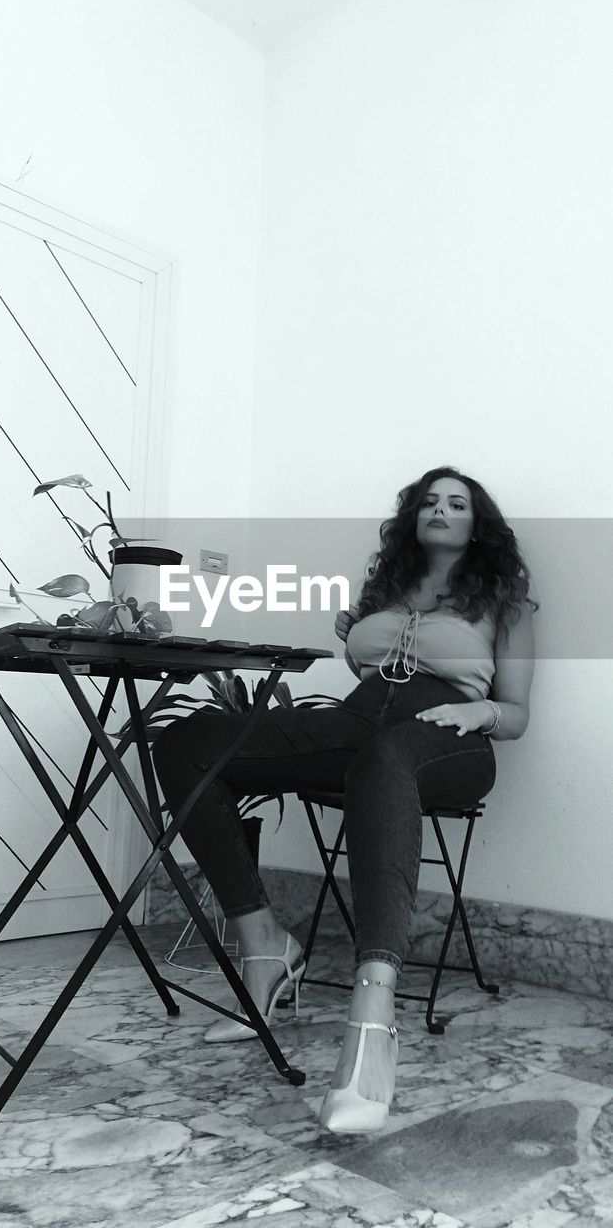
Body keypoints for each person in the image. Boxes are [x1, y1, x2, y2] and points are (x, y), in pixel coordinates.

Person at [152, 466, 536, 1133]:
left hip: (451, 737)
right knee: (187, 743)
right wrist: (362, 638)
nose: (441, 509)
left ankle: (374, 1017)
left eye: (457, 503)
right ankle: (265, 944)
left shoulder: (505, 599)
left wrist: (480, 717)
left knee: (387, 758)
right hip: (363, 721)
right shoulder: (386, 588)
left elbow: (518, 713)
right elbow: (372, 675)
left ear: (481, 523)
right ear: (412, 516)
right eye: (429, 501)